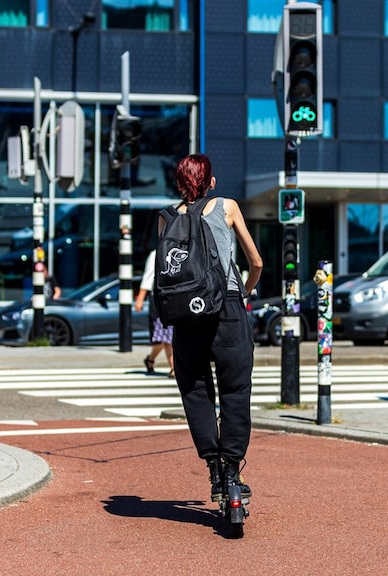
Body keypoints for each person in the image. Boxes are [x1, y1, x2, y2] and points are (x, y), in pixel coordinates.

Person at [164, 153, 263, 503]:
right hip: (228, 308)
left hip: (187, 315)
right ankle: (233, 466)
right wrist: (246, 290)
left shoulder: (168, 218)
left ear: (180, 183)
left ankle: (213, 467)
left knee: (194, 388)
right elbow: (256, 261)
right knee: (235, 389)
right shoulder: (227, 206)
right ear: (211, 181)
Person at [133, 249, 174, 378]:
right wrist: (140, 298)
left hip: (176, 298)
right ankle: (174, 368)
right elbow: (148, 276)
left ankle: (150, 359)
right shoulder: (157, 253)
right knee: (166, 335)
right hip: (159, 299)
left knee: (164, 337)